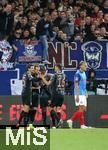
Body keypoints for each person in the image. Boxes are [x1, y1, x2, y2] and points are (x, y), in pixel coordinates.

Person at [40, 64, 66, 128]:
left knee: (50, 108)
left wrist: (42, 77)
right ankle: (58, 125)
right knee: (58, 109)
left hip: (56, 94)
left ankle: (59, 120)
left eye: (55, 67)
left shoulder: (55, 75)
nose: (54, 68)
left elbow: (48, 84)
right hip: (62, 94)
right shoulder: (64, 75)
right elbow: (64, 83)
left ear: (57, 68)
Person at [67, 61, 89, 129]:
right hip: (79, 93)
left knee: (83, 109)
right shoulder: (77, 74)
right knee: (81, 108)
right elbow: (76, 85)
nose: (86, 67)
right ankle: (71, 120)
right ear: (81, 66)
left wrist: (86, 92)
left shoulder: (84, 73)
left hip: (83, 92)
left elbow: (84, 84)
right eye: (85, 66)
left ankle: (81, 124)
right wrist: (77, 95)